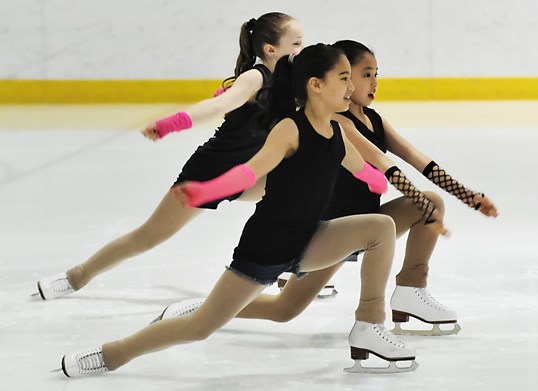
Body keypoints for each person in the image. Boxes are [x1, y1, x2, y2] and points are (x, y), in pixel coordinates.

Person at [59, 43, 436, 378]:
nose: (352, 87)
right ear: (315, 85)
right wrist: (204, 190)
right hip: (267, 247)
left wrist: (377, 181)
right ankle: (112, 354)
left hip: (310, 238)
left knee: (380, 227)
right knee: (199, 328)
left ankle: (369, 325)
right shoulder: (290, 129)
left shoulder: (336, 130)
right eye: (343, 78)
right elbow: (248, 173)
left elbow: (362, 168)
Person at [156, 41, 498, 338]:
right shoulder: (338, 123)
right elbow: (386, 167)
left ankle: (410, 290)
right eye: (361, 74)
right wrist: (420, 200)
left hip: (366, 223)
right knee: (285, 310)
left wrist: (470, 197)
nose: (371, 82)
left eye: (374, 73)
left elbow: (419, 160)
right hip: (331, 229)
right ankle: (200, 310)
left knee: (431, 203)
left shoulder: (374, 119)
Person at [35, 12, 305, 300]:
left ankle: (299, 272)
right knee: (147, 237)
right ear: (271, 50)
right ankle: (76, 277)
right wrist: (171, 123)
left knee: (306, 193)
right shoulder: (255, 77)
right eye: (297, 43)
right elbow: (219, 106)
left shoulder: (290, 83)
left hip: (250, 175)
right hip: (210, 173)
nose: (302, 50)